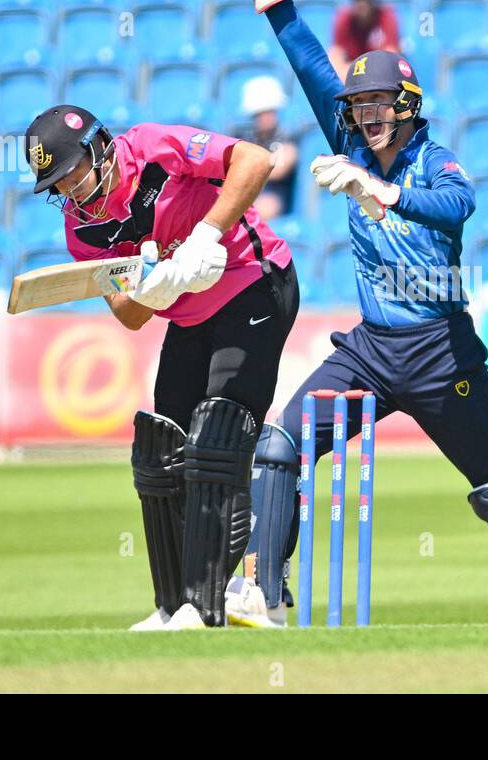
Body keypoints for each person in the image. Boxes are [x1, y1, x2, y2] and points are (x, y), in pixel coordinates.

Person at [229, 0, 488, 628]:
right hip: (370, 349)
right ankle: (264, 590)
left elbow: (459, 204)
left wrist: (380, 190)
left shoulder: (432, 158)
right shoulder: (347, 137)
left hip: (439, 350)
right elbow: (304, 55)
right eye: (358, 105)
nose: (367, 115)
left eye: (380, 103)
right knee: (278, 443)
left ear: (407, 105)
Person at [23, 104, 299, 630]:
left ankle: (209, 602)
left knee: (218, 434)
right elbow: (129, 315)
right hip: (190, 313)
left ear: (100, 148)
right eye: (60, 185)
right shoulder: (82, 232)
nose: (73, 193)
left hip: (252, 280)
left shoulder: (151, 148)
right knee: (161, 447)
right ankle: (174, 603)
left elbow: (257, 161)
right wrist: (160, 285)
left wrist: (205, 236)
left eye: (75, 174)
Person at [234, 75, 298, 220]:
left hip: (272, 195)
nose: (265, 117)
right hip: (243, 193)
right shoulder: (242, 136)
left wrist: (247, 167)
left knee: (266, 206)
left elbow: (280, 169)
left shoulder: (287, 136)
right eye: (260, 114)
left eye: (270, 112)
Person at [328, 0, 400, 78]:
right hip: (353, 75)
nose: (362, 4)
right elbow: (336, 55)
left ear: (374, 0)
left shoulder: (386, 16)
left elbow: (391, 56)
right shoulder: (343, 18)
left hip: (380, 75)